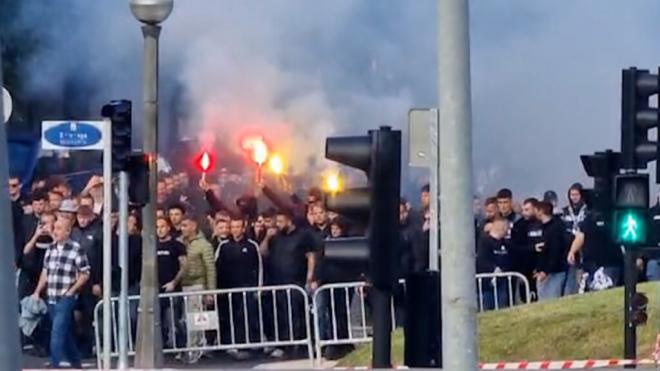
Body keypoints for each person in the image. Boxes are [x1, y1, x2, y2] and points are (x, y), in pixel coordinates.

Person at [32, 218, 90, 369]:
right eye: (55, 228)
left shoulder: (76, 249)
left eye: (59, 229)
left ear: (67, 231)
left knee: (57, 331)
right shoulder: (50, 248)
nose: (55, 232)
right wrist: (37, 291)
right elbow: (45, 272)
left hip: (66, 297)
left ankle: (54, 362)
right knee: (66, 333)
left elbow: (85, 273)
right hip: (51, 295)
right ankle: (76, 362)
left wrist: (72, 290)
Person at [260, 209, 319, 356]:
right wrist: (267, 238)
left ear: (289, 220)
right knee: (280, 314)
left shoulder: (303, 235)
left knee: (296, 313)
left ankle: (300, 344)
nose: (277, 225)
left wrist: (309, 278)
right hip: (277, 282)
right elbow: (263, 252)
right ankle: (285, 343)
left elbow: (311, 256)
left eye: (280, 221)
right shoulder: (276, 237)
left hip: (295, 282)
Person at [215, 216, 263, 360]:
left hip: (247, 289)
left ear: (243, 228)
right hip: (227, 290)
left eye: (238, 227)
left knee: (248, 317)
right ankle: (231, 344)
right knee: (230, 318)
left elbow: (259, 267)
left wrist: (258, 289)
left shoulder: (252, 245)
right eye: (233, 227)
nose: (235, 230)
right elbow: (216, 268)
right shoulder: (223, 246)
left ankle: (250, 345)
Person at [180, 216, 216, 353]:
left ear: (194, 226)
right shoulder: (180, 242)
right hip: (183, 286)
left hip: (198, 285)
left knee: (197, 320)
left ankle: (196, 349)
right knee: (186, 320)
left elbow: (210, 269)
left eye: (185, 225)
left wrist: (210, 291)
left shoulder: (204, 245)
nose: (182, 228)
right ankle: (192, 347)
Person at [156, 217, 187, 348]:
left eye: (163, 226)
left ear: (169, 228)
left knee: (173, 320)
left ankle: (180, 346)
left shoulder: (177, 245)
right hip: (156, 289)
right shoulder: (151, 245)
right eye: (157, 227)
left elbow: (184, 266)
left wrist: (174, 282)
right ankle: (162, 347)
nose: (160, 230)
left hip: (172, 288)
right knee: (158, 321)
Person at [534, 201, 570, 301]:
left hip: (555, 272)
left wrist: (545, 271)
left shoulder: (555, 228)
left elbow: (555, 252)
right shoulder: (543, 227)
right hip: (545, 271)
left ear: (541, 211)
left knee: (551, 300)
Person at [476, 218, 513, 310]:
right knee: (487, 306)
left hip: (502, 280)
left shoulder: (505, 243)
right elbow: (482, 260)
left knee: (502, 307)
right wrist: (494, 268)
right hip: (487, 281)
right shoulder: (484, 241)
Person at [510, 198, 543, 300]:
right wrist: (532, 248)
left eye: (527, 210)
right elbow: (515, 247)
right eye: (523, 210)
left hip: (542, 267)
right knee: (527, 298)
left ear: (535, 209)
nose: (524, 213)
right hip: (525, 268)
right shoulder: (519, 225)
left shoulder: (543, 223)